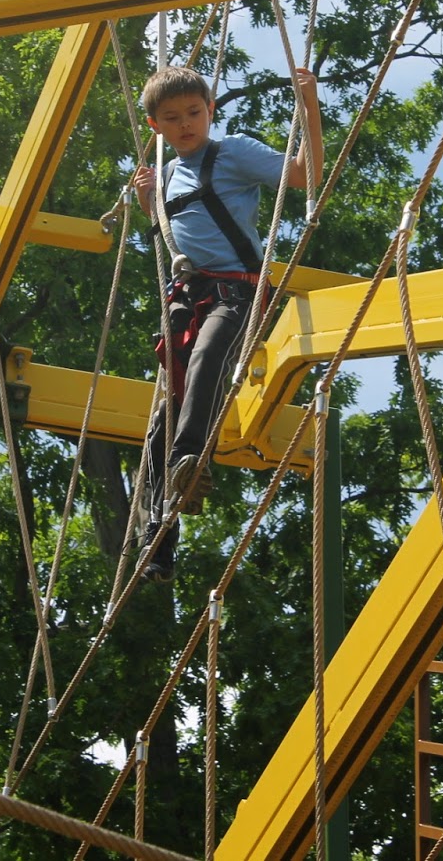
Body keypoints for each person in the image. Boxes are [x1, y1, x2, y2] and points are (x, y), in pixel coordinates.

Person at [130, 65, 323, 583]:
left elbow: (304, 174)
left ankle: (189, 462)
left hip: (236, 289)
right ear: (156, 126)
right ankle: (156, 538)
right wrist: (149, 199)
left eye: (194, 113)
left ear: (209, 111)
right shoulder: (169, 174)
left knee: (209, 361)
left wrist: (309, 107)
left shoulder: (232, 151)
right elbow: (169, 235)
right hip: (186, 297)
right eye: (173, 118)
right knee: (163, 417)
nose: (186, 124)